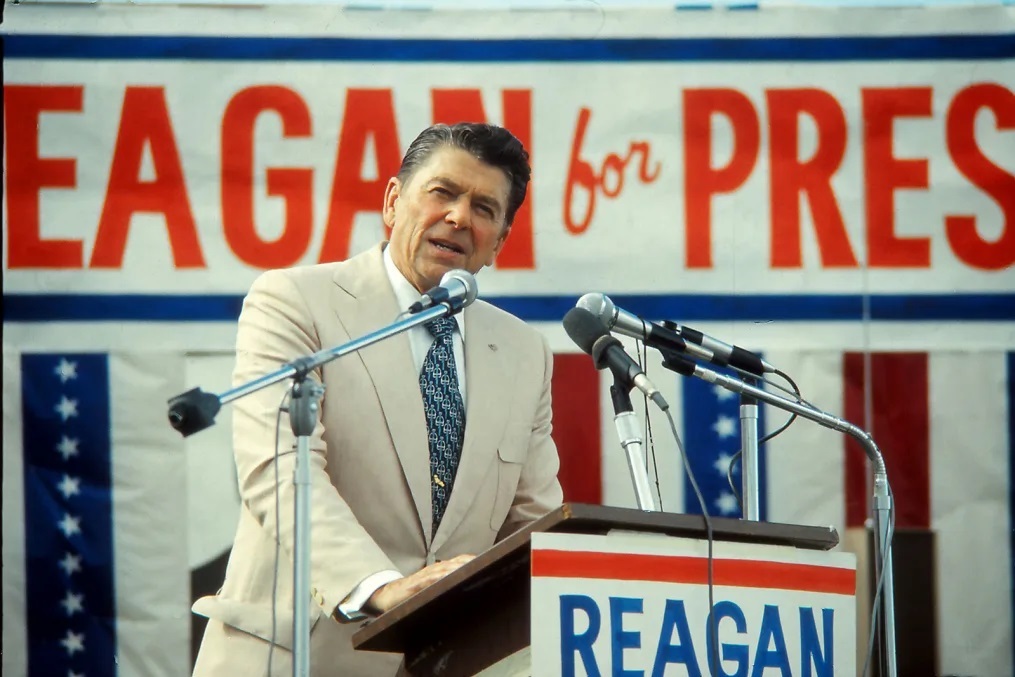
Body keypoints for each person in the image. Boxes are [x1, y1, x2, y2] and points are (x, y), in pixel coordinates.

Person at [191, 122, 564, 676]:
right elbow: (280, 471)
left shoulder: (523, 352)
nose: (461, 217)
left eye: (485, 208)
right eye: (443, 193)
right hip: (295, 659)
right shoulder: (296, 302)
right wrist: (383, 588)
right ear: (393, 202)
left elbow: (533, 528)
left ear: (499, 243)